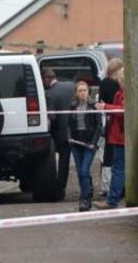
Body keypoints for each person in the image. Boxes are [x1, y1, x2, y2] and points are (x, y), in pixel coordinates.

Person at [67, 80, 102, 212]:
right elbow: (68, 124)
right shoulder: (72, 107)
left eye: (85, 90)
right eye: (80, 91)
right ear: (76, 93)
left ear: (88, 92)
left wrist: (94, 142)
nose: (82, 93)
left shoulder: (94, 106)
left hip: (89, 143)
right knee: (80, 172)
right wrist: (69, 137)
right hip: (76, 143)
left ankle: (85, 199)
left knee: (84, 171)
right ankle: (88, 189)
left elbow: (99, 126)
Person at [95, 68, 126, 210]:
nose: (118, 82)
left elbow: (122, 111)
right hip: (118, 135)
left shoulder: (124, 94)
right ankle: (112, 199)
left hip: (120, 136)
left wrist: (105, 106)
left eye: (119, 80)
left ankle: (112, 200)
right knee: (117, 168)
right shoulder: (121, 93)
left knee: (118, 169)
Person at [42, 68, 75, 202]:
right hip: (75, 131)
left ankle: (60, 190)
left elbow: (53, 117)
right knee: (74, 162)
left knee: (60, 162)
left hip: (60, 133)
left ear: (47, 79)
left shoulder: (50, 94)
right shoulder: (71, 86)